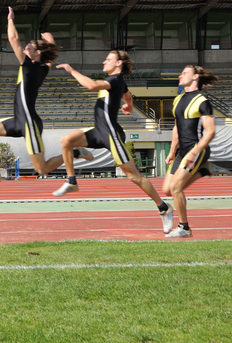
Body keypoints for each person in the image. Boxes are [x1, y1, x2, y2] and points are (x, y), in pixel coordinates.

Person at [0, 6, 92, 184]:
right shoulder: (42, 68)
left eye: (28, 46)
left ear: (36, 53)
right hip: (18, 120)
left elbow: (13, 38)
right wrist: (51, 42)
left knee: (41, 168)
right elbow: (50, 60)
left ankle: (75, 152)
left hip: (29, 123)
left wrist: (10, 19)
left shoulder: (30, 66)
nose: (24, 47)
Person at [53, 50, 173, 221]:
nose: (103, 62)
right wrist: (129, 105)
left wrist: (71, 70)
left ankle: (164, 207)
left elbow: (92, 86)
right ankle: (72, 181)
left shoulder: (114, 80)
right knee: (66, 140)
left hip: (111, 134)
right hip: (98, 131)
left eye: (108, 59)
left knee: (134, 176)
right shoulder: (119, 83)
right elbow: (127, 93)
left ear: (119, 63)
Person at [161, 65, 218, 238]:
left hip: (196, 150)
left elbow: (210, 131)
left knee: (176, 187)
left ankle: (184, 227)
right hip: (182, 152)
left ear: (196, 77)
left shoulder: (202, 101)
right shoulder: (178, 99)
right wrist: (172, 151)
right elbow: (177, 128)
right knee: (167, 190)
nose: (180, 75)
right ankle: (203, 171)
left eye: (184, 73)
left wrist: (195, 152)